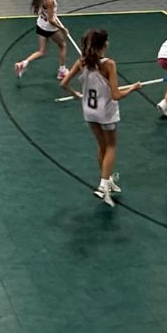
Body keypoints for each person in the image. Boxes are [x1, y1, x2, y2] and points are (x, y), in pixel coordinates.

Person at [61, 28, 143, 207]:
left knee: (101, 146)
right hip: (106, 112)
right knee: (111, 146)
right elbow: (115, 95)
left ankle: (107, 180)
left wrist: (76, 95)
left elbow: (63, 83)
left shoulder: (81, 62)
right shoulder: (109, 65)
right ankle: (103, 184)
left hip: (89, 112)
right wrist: (133, 88)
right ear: (104, 44)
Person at [14, 0, 75, 82]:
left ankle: (23, 63)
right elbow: (51, 20)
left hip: (41, 25)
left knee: (42, 51)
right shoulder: (50, 0)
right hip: (49, 27)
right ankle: (62, 72)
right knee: (62, 45)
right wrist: (62, 28)